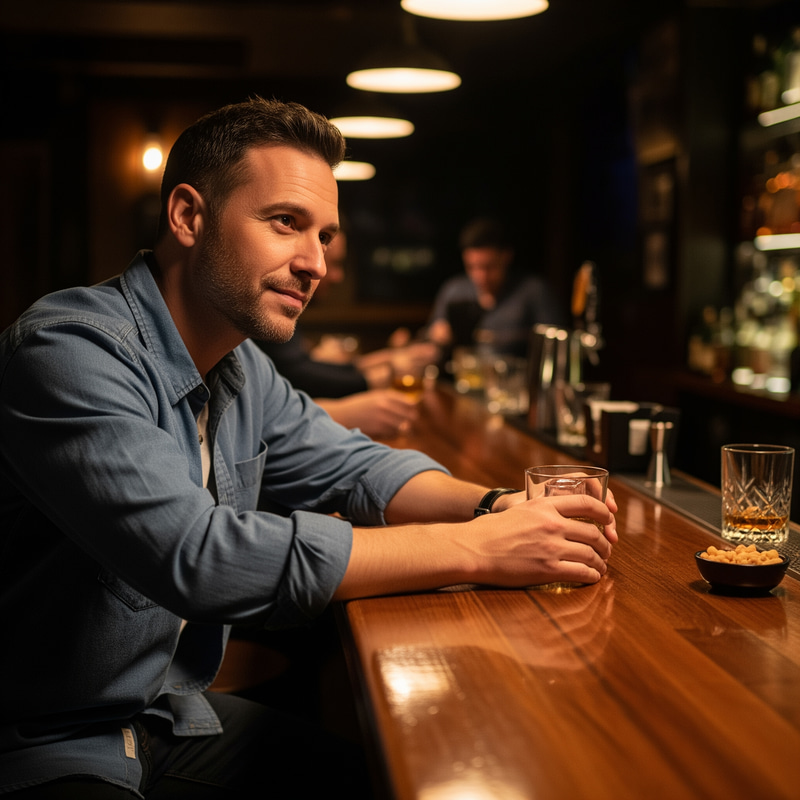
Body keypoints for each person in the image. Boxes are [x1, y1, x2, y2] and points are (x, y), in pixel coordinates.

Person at [0, 97, 617, 798]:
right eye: (286, 223)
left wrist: (496, 504)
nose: (316, 263)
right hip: (48, 742)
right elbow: (197, 556)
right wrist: (479, 548)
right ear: (189, 216)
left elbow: (355, 464)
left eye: (325, 236)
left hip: (161, 716)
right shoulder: (69, 351)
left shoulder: (239, 365)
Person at [256, 229, 438, 438]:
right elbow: (297, 371)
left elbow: (296, 367)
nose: (327, 272)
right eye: (335, 263)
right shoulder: (265, 315)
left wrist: (383, 361)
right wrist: (350, 404)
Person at [426, 217, 566, 359]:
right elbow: (431, 336)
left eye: (488, 267)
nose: (481, 276)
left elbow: (554, 345)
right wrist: (437, 334)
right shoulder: (453, 291)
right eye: (472, 267)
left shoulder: (534, 291)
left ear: (506, 256)